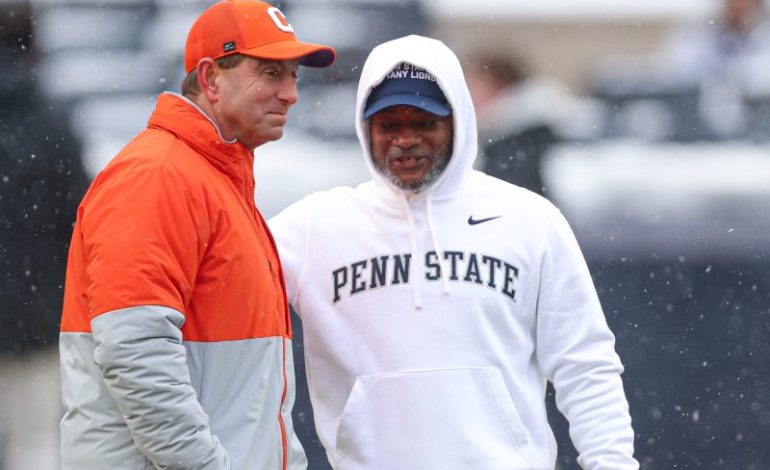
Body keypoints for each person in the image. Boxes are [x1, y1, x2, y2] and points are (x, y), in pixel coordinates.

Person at [269, 35, 639, 469]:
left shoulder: (530, 220)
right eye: (389, 125)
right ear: (365, 128)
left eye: (424, 122)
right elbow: (216, 294)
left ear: (458, 120)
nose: (405, 139)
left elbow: (586, 366)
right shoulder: (315, 227)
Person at [58, 1, 335, 469]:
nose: (291, 94)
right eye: (271, 74)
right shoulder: (159, 175)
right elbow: (135, 353)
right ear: (210, 79)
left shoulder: (212, 177)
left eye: (294, 77)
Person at [0, 1, 89, 468]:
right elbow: (82, 220)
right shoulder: (50, 120)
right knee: (34, 445)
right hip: (35, 314)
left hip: (33, 307)